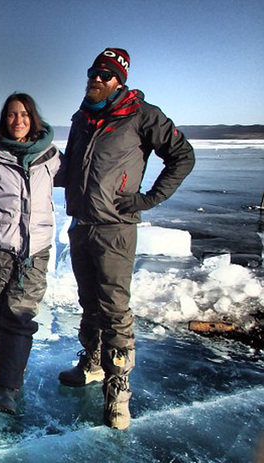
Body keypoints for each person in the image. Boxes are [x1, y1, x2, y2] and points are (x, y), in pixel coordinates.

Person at [57, 48, 195, 429]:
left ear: (120, 79)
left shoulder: (142, 115)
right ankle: (94, 363)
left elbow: (183, 156)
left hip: (115, 229)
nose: (96, 79)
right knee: (89, 302)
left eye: (105, 74)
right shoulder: (81, 117)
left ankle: (119, 389)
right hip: (81, 224)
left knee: (115, 309)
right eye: (92, 72)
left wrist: (148, 199)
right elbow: (69, 167)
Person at [0, 93, 62, 414]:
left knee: (19, 313)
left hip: (35, 250)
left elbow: (86, 179)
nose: (18, 120)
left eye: (24, 114)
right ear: (4, 120)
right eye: (12, 115)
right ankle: (14, 369)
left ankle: (5, 388)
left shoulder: (51, 157)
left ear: (33, 119)